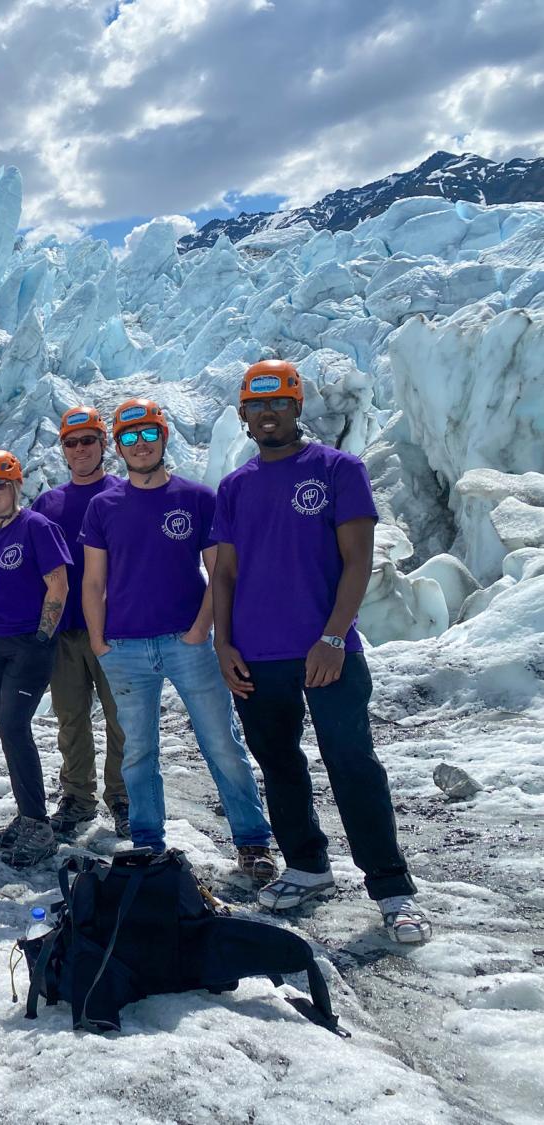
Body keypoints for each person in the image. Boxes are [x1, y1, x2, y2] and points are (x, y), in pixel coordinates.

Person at [212, 360, 431, 943]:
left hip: (326, 649)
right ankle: (307, 866)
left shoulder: (339, 469)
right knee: (279, 763)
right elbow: (225, 574)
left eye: (278, 402)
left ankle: (392, 888)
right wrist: (222, 642)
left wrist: (334, 636)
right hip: (256, 655)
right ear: (243, 415)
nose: (267, 414)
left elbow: (358, 560)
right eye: (256, 406)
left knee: (352, 763)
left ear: (297, 406)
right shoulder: (235, 486)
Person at [81, 398, 277, 882]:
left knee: (222, 743)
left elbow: (219, 572)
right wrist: (100, 643)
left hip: (185, 643)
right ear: (119, 448)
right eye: (129, 437)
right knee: (139, 751)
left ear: (164, 437)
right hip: (124, 648)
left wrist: (199, 631)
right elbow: (91, 582)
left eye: (148, 434)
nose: (140, 444)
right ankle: (148, 843)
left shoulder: (196, 498)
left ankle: (252, 841)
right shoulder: (104, 506)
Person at [0, 450, 73, 868]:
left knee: (14, 724)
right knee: (7, 729)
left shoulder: (37, 528)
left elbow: (57, 586)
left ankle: (39, 826)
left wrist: (40, 639)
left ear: (16, 485)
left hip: (28, 645)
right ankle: (27, 817)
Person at [32, 406, 130, 839]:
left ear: (102, 444)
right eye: (71, 442)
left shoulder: (126, 495)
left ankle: (125, 798)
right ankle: (77, 796)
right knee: (71, 716)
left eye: (88, 440)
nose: (80, 449)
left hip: (116, 629)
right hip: (65, 630)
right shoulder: (48, 503)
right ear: (63, 450)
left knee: (121, 717)